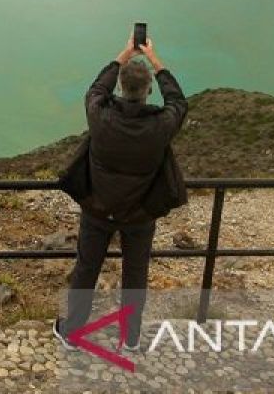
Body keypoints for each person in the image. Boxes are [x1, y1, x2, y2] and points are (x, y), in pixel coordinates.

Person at [55, 33, 188, 352]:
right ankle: (130, 336)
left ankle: (73, 332)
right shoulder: (160, 125)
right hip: (139, 215)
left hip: (98, 209)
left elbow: (95, 90)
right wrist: (157, 63)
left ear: (121, 87)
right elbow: (178, 103)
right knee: (135, 274)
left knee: (86, 269)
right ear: (147, 91)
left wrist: (123, 55)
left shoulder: (101, 116)